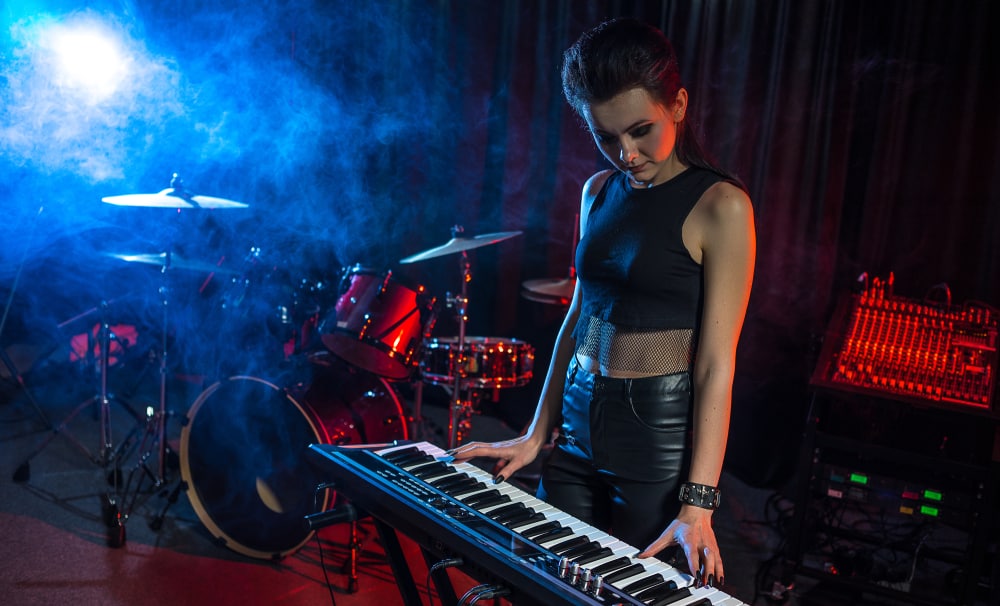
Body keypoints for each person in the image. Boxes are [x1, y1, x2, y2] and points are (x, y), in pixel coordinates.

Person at [449, 17, 755, 589]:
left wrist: (698, 504)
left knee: (628, 594)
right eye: (607, 136)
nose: (627, 152)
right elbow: (576, 320)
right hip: (577, 419)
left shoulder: (722, 206)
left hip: (656, 438)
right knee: (542, 582)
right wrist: (537, 432)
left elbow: (717, 365)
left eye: (641, 131)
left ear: (679, 105)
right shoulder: (597, 192)